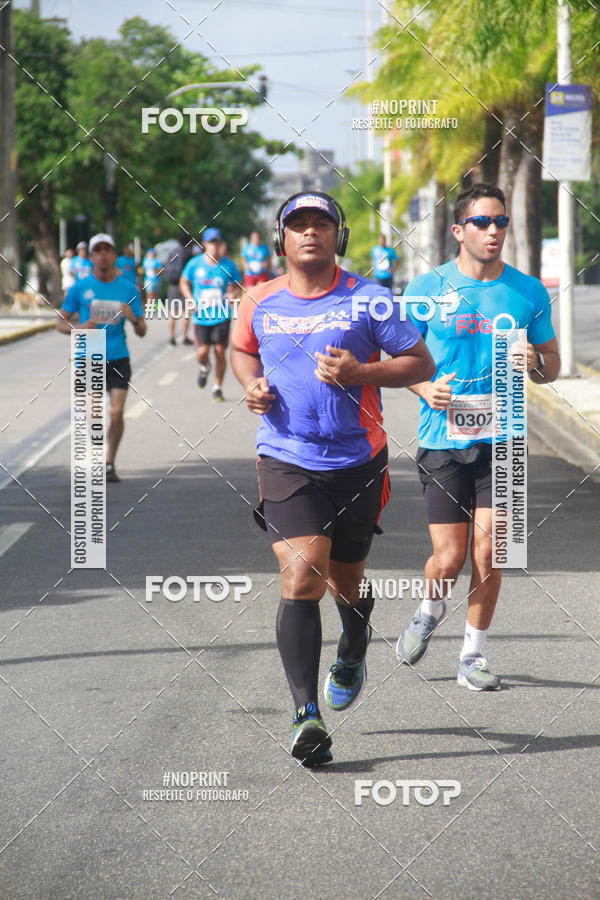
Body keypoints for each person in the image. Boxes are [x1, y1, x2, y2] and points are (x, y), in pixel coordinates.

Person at [230, 191, 434, 765]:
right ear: (282, 238)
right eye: (298, 225)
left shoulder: (371, 301)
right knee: (302, 576)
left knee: (347, 581)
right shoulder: (260, 300)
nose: (310, 233)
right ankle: (305, 715)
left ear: (337, 236)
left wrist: (362, 370)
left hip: (358, 462)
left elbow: (420, 365)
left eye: (322, 223)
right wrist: (251, 385)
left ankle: (353, 641)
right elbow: (241, 351)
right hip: (286, 458)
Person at [395, 183, 561, 690]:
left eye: (502, 222)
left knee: (491, 553)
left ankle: (472, 656)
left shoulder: (528, 291)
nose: (494, 231)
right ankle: (429, 608)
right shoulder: (425, 290)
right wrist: (426, 387)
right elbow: (398, 364)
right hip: (442, 436)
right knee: (448, 558)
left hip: (505, 436)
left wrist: (536, 363)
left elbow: (553, 366)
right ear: (458, 231)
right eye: (483, 222)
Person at [56, 233, 146, 483]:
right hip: (90, 354)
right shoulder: (80, 287)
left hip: (118, 356)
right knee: (94, 414)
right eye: (98, 250)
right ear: (92, 256)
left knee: (116, 413)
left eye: (107, 250)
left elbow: (142, 331)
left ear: (114, 255)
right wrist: (80, 328)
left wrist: (133, 317)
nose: (103, 254)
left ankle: (109, 462)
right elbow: (60, 323)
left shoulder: (128, 288)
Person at [179, 227, 242, 402]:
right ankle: (204, 366)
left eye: (217, 242)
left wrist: (233, 294)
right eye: (210, 242)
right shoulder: (195, 264)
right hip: (201, 316)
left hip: (221, 315)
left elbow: (239, 284)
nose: (214, 246)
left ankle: (217, 387)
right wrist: (190, 299)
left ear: (220, 244)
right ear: (205, 244)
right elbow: (183, 282)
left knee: (220, 351)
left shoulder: (228, 265)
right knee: (203, 352)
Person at [164, 235, 193, 346]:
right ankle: (185, 336)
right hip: (184, 285)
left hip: (172, 285)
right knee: (186, 312)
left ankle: (171, 337)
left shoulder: (172, 252)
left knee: (173, 313)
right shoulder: (188, 253)